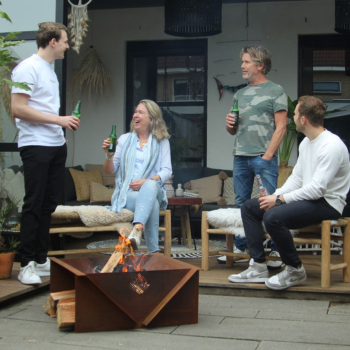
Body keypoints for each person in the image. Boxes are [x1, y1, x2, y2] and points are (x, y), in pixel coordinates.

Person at [229, 95, 350, 290]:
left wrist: (278, 200)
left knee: (273, 217)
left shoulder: (332, 146)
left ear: (303, 119)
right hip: (309, 199)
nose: (292, 118)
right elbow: (297, 179)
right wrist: (274, 195)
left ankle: (295, 269)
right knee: (251, 207)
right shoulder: (306, 143)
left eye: (294, 114)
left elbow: (318, 189)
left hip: (328, 203)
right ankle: (258, 266)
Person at [11, 22, 80, 285]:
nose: (67, 46)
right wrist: (58, 120)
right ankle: (25, 263)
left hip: (54, 145)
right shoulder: (27, 68)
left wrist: (60, 125)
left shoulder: (49, 70)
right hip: (36, 145)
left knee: (47, 206)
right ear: (53, 42)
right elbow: (18, 109)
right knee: (33, 203)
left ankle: (40, 260)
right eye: (65, 41)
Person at [219, 45, 288, 269]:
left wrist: (267, 156)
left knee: (269, 204)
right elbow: (233, 131)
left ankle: (277, 250)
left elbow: (281, 127)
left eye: (246, 61)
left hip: (263, 158)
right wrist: (229, 125)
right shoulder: (239, 94)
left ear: (260, 64)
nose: (242, 65)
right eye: (242, 62)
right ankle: (241, 245)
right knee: (240, 203)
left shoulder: (276, 91)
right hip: (240, 156)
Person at [102, 99, 172, 253]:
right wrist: (108, 155)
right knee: (152, 204)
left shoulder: (162, 141)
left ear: (151, 119)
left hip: (154, 190)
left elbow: (166, 170)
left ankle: (137, 231)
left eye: (141, 112)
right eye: (135, 112)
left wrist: (146, 182)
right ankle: (149, 246)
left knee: (151, 186)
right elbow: (110, 170)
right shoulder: (124, 140)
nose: (135, 115)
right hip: (127, 195)